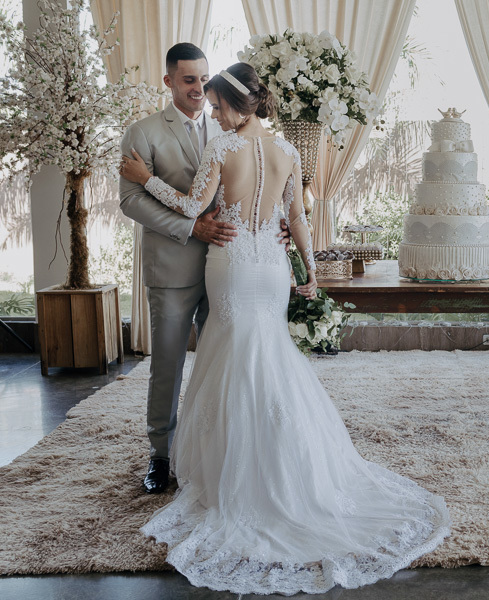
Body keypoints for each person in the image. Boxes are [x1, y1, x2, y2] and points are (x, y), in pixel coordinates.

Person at [119, 62, 450, 595]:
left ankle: (236, 472)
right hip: (271, 269)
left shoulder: (220, 149)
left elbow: (189, 207)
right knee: (267, 353)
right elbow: (297, 218)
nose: (216, 113)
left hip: (230, 263)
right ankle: (291, 466)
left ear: (230, 105)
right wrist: (310, 274)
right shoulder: (290, 151)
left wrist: (146, 179)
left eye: (219, 105)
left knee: (231, 356)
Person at [119, 43, 233, 494]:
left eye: (205, 79)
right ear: (168, 82)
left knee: (219, 364)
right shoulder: (142, 133)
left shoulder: (229, 129)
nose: (199, 89)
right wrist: (192, 229)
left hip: (226, 268)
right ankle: (160, 456)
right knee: (167, 365)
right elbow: (131, 201)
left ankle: (211, 451)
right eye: (189, 80)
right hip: (171, 269)